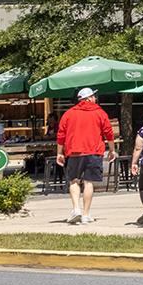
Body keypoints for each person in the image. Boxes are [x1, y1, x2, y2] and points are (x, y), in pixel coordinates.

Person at [55, 88, 115, 225]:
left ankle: (76, 209)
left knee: (74, 181)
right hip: (93, 151)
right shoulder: (100, 112)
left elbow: (61, 135)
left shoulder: (69, 114)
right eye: (93, 96)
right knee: (89, 182)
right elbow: (109, 133)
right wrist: (112, 150)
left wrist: (59, 152)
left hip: (74, 151)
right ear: (88, 98)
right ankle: (86, 214)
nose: (95, 98)